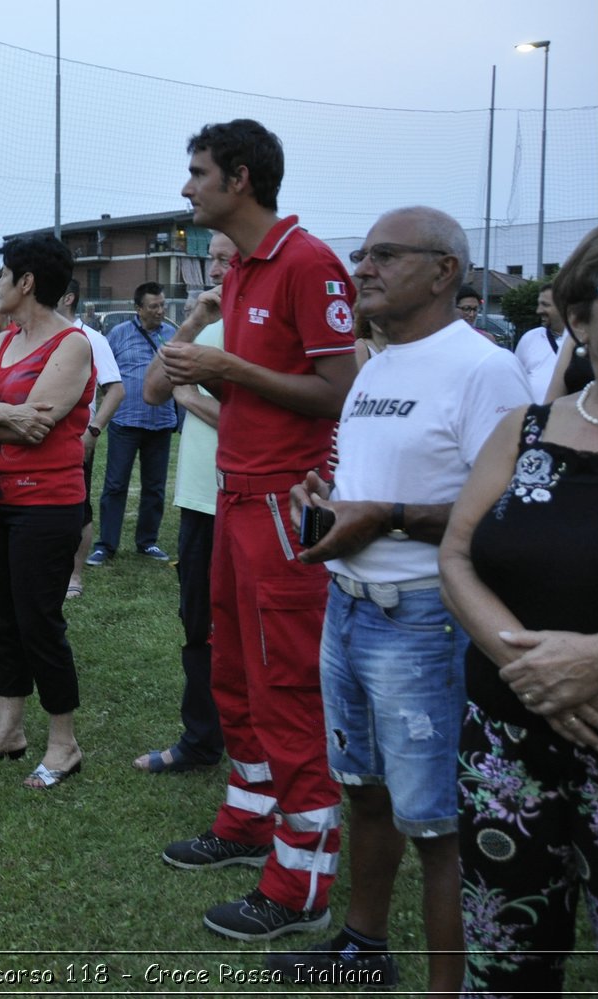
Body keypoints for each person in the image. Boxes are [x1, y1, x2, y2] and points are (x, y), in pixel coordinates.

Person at [266, 207, 532, 993]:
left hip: (423, 618)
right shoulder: (377, 363)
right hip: (347, 606)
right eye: (361, 253)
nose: (363, 267)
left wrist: (385, 517)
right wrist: (332, 499)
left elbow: (512, 513)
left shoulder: (484, 370)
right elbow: (371, 483)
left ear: (445, 270)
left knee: (438, 825)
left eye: (384, 254)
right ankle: (361, 948)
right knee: (365, 791)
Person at [157, 118, 357, 940]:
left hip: (282, 504)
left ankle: (302, 883)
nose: (186, 186)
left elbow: (338, 389)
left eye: (198, 171)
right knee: (233, 672)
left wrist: (229, 369)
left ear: (240, 178)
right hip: (236, 496)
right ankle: (249, 818)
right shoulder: (239, 269)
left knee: (285, 685)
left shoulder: (308, 262)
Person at [438, 216, 598, 995]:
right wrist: (529, 665)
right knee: (509, 959)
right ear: (580, 318)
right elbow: (456, 551)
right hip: (504, 743)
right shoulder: (522, 430)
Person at [0, 232, 94, 790]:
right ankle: (9, 731)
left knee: (40, 623)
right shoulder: (1, 341)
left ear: (27, 282)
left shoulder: (73, 345)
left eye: (4, 278)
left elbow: (42, 428)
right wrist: (4, 417)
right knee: (3, 619)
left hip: (45, 506)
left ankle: (65, 743)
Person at [136, 232, 239, 774]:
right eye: (213, 260)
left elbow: (259, 427)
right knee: (196, 623)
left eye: (228, 258)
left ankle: (259, 747)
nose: (217, 270)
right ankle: (201, 741)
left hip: (252, 501)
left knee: (251, 631)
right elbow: (154, 389)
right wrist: (196, 319)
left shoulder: (268, 331)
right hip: (202, 501)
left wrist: (194, 398)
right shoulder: (207, 325)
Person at [90, 281, 178, 565]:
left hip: (161, 422)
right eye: (153, 306)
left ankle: (147, 542)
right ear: (138, 308)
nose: (160, 311)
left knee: (155, 486)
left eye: (162, 305)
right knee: (115, 485)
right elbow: (104, 372)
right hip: (125, 422)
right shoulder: (119, 334)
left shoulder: (172, 335)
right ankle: (106, 545)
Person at [60, 280, 123, 599]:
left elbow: (116, 389)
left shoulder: (91, 338)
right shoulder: (37, 334)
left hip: (76, 439)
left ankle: (74, 575)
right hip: (41, 437)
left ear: (68, 298)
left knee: (78, 509)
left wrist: (94, 431)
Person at [513, 283, 565, 400]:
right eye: (539, 304)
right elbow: (516, 382)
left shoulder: (588, 340)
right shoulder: (530, 338)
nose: (538, 311)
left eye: (545, 305)